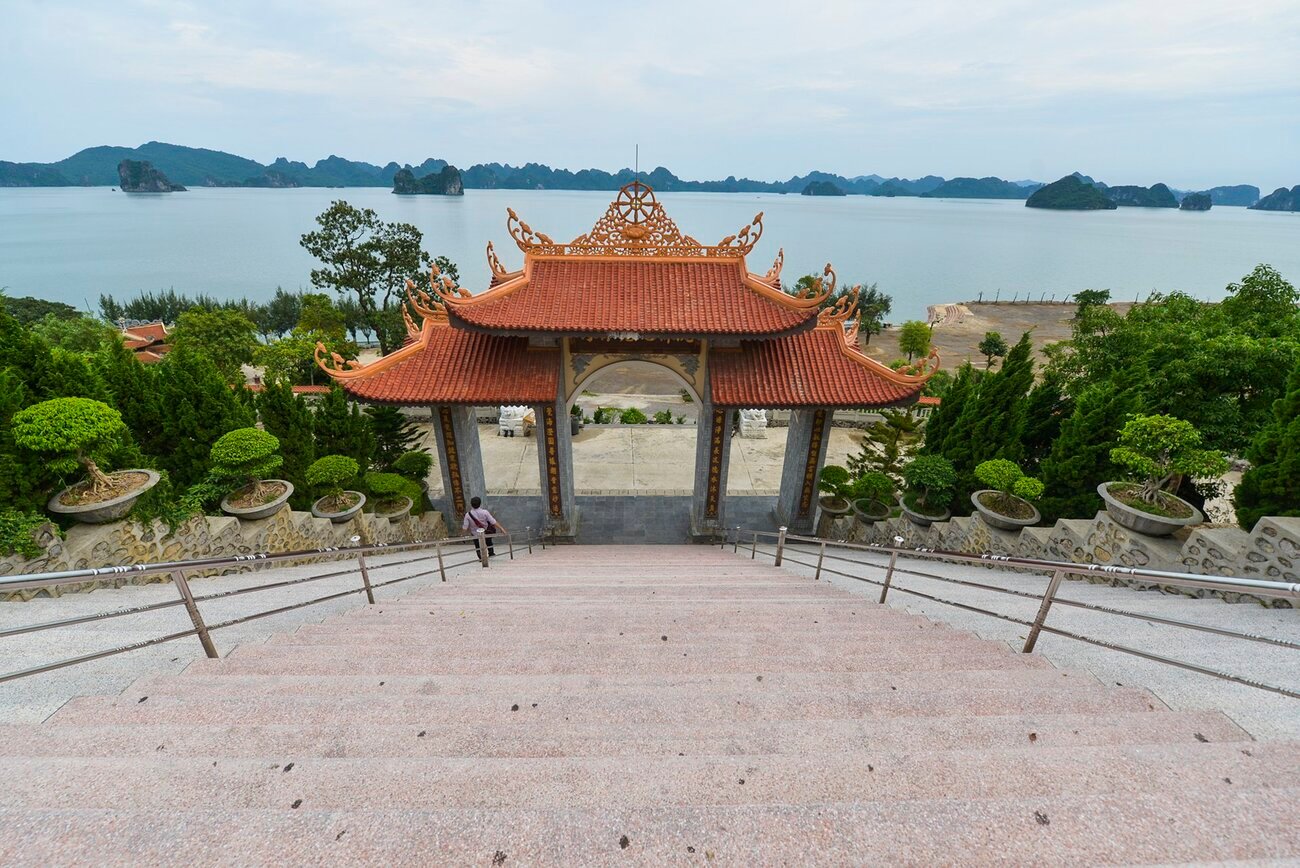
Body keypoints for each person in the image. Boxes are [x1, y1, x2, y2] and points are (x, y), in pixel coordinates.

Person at [462, 496, 505, 562]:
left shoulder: (468, 515)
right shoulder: (485, 512)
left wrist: (463, 535)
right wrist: (501, 528)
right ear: (480, 503)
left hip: (475, 534)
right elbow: (493, 521)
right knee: (489, 542)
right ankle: (491, 553)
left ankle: (481, 557)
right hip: (486, 532)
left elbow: (465, 527)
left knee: (477, 546)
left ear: (471, 504)